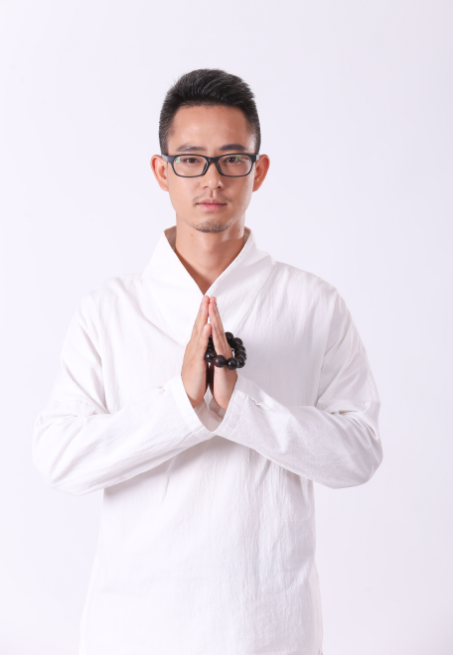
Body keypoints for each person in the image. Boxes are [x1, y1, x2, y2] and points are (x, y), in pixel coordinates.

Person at [32, 68, 383, 655]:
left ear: (258, 170)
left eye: (232, 159)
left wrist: (242, 408)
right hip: (133, 632)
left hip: (270, 632)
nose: (212, 179)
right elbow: (59, 460)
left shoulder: (312, 305)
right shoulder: (109, 310)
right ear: (162, 171)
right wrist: (180, 404)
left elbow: (359, 455)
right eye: (191, 160)